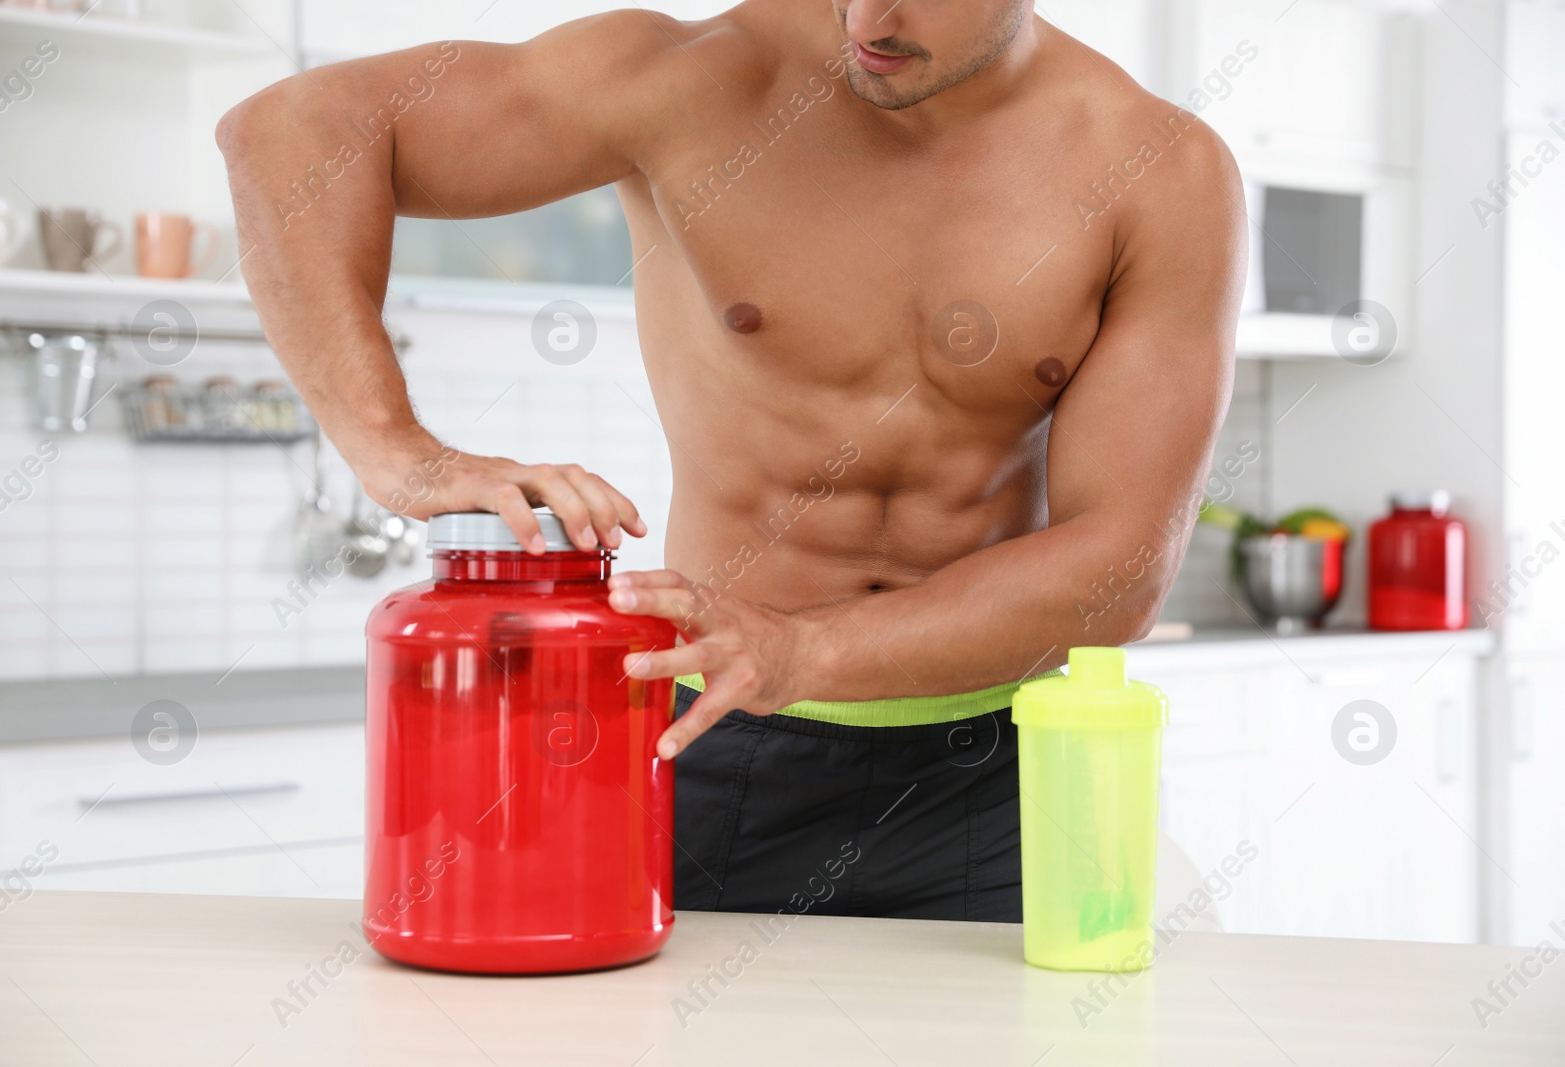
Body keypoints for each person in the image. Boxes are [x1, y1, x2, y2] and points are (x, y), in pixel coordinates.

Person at [218, 0, 1245, 922]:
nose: (870, 18)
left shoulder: (1157, 167)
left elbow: (1117, 568)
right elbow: (289, 132)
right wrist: (399, 453)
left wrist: (804, 650)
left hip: (996, 766)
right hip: (712, 743)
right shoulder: (696, 77)